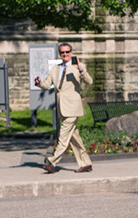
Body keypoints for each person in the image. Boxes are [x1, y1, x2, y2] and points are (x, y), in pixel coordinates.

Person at [34, 42, 93, 174]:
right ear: (59, 54)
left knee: (63, 135)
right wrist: (38, 83)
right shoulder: (55, 69)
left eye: (67, 52)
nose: (65, 54)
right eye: (62, 53)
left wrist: (81, 70)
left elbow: (89, 81)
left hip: (73, 107)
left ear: (71, 53)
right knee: (74, 137)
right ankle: (86, 163)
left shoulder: (78, 66)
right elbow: (46, 85)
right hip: (62, 107)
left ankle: (52, 162)